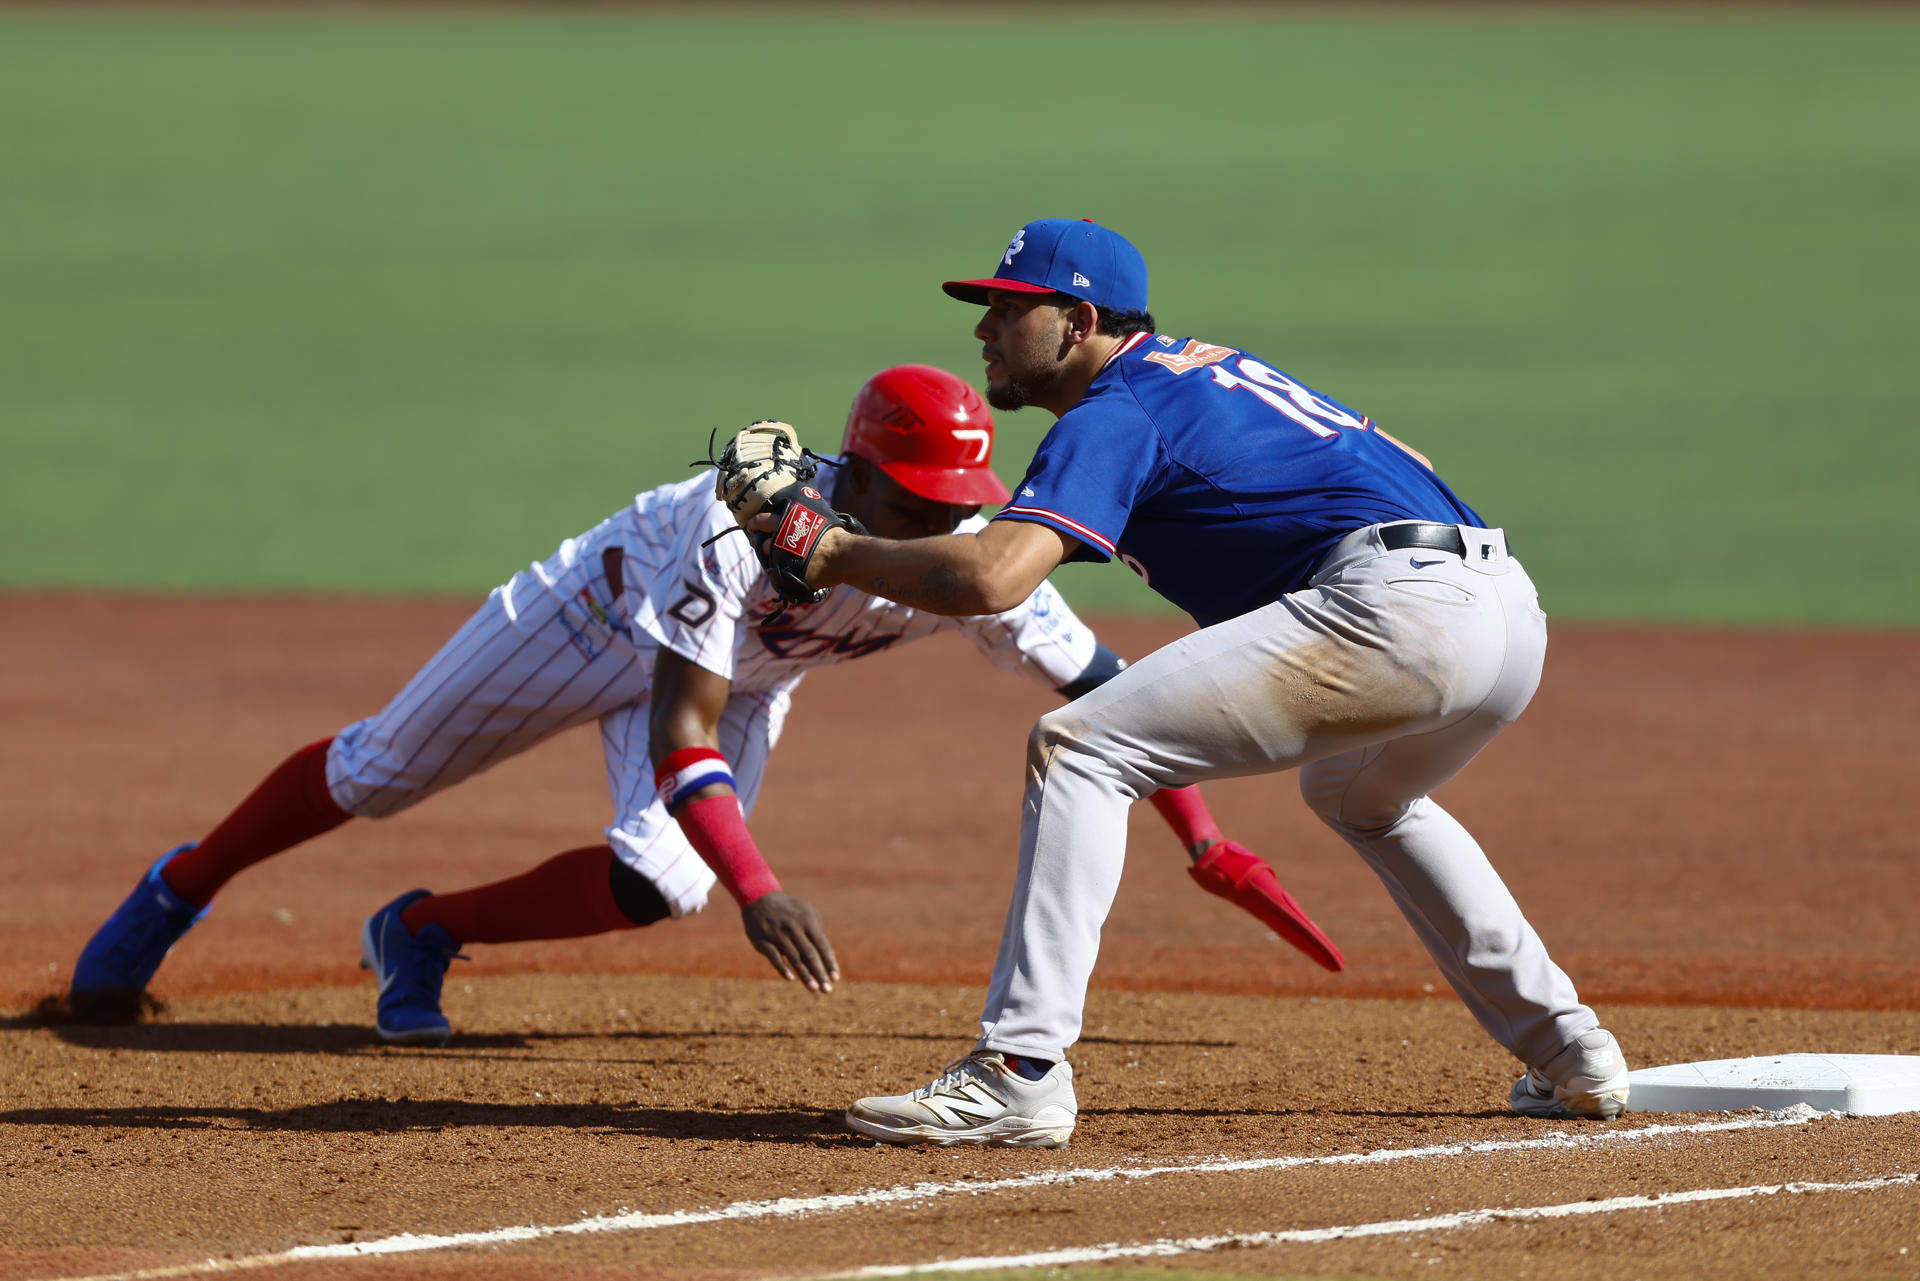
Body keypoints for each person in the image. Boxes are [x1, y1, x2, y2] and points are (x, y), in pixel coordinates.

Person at [67, 363, 1341, 1046]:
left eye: (967, 497)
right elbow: (683, 730)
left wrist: (1208, 839)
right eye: (929, 497)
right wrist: (763, 888)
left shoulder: (968, 553)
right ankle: (176, 888)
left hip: (750, 672)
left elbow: (1100, 691)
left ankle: (423, 932)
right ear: (863, 478)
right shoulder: (741, 534)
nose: (958, 517)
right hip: (585, 622)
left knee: (663, 881)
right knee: (381, 770)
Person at [737, 221, 1629, 1147]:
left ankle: (1019, 1069)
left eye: (1008, 309)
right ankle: (1572, 1051)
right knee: (1362, 796)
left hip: (1401, 613)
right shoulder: (1206, 371)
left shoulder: (1116, 409)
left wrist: (830, 549)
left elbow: (992, 581)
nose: (985, 330)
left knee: (1079, 747)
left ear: (1078, 320)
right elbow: (1414, 462)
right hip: (1506, 613)